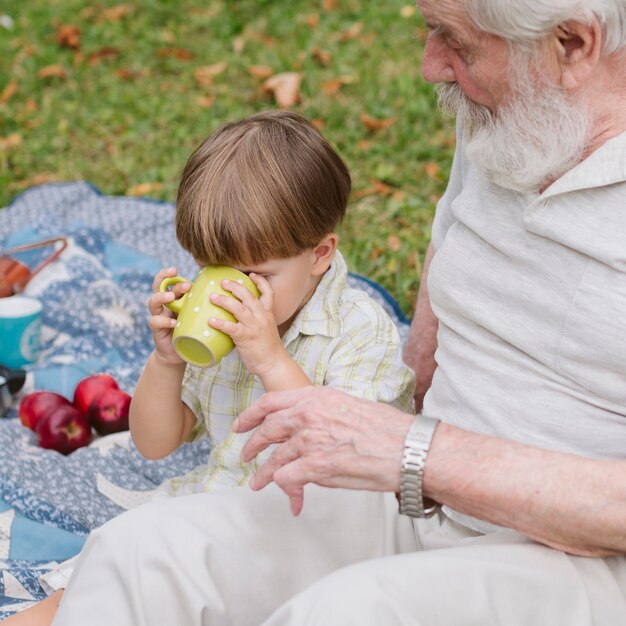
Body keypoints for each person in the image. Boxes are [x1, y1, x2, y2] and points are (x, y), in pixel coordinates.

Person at [45, 0, 626, 623]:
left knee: (337, 613)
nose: (431, 65)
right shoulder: (513, 113)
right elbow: (451, 250)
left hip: (577, 554)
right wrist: (409, 421)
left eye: (454, 39)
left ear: (571, 44)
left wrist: (412, 448)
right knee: (136, 554)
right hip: (419, 494)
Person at [5, 110, 415, 624]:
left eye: (255, 275)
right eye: (212, 270)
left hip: (315, 533)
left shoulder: (360, 331)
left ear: (319, 255)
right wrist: (166, 360)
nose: (230, 289)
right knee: (78, 592)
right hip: (217, 510)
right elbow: (155, 444)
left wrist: (269, 358)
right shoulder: (220, 333)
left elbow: (343, 460)